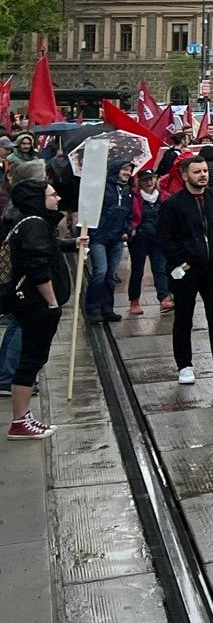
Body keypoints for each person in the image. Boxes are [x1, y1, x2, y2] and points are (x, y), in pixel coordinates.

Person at [4, 179, 79, 439]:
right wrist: (52, 301)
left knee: (32, 359)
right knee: (31, 359)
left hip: (29, 303)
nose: (56, 199)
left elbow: (47, 247)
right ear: (37, 198)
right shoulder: (35, 224)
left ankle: (23, 417)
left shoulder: (27, 222)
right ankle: (19, 421)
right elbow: (37, 265)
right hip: (35, 304)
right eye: (51, 195)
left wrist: (72, 243)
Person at [161, 157, 213, 385]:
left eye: (205, 170)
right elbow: (167, 239)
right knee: (184, 318)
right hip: (187, 270)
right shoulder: (173, 204)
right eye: (197, 171)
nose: (203, 175)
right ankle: (185, 365)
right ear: (185, 175)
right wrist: (182, 261)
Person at [85, 161, 135, 324]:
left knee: (111, 276)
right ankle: (92, 308)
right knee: (101, 272)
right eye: (124, 169)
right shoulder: (102, 188)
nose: (127, 173)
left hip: (117, 237)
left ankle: (107, 308)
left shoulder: (128, 190)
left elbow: (129, 213)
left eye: (130, 170)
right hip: (99, 236)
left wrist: (126, 229)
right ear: (116, 170)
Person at [126, 169, 171, 316]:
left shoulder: (164, 197)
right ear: (140, 182)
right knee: (137, 270)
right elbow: (129, 216)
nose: (149, 182)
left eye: (151, 179)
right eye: (145, 179)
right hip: (139, 240)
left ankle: (164, 298)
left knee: (160, 268)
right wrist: (131, 229)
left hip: (158, 240)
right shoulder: (133, 198)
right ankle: (134, 300)